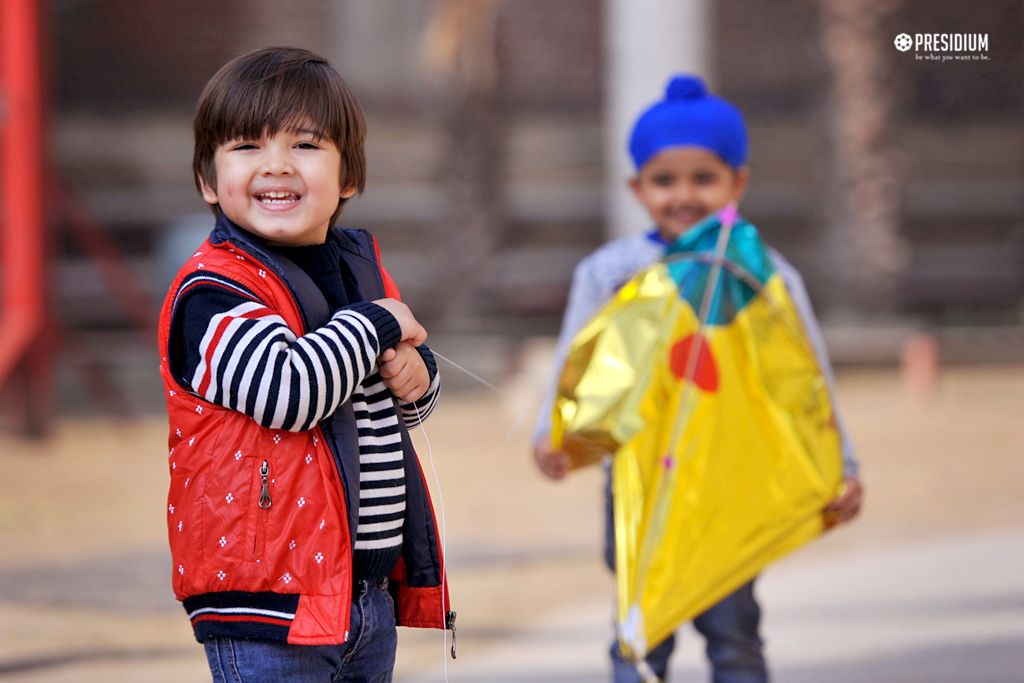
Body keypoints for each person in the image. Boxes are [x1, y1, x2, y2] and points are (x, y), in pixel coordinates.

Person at [532, 74, 864, 683]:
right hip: (636, 484)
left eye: (704, 178)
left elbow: (806, 374)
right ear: (637, 187)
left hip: (727, 483)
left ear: (737, 182)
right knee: (638, 629)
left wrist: (842, 463)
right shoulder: (610, 273)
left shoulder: (763, 276)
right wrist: (551, 434)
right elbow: (571, 366)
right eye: (664, 180)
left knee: (733, 630)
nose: (684, 195)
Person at [157, 47, 452, 682]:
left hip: (362, 596)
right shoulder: (210, 293)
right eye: (245, 146)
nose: (276, 165)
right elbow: (291, 390)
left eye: (305, 145)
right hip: (267, 604)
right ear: (209, 181)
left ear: (349, 176)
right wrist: (378, 323)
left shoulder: (358, 271)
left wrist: (416, 376)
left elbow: (397, 403)